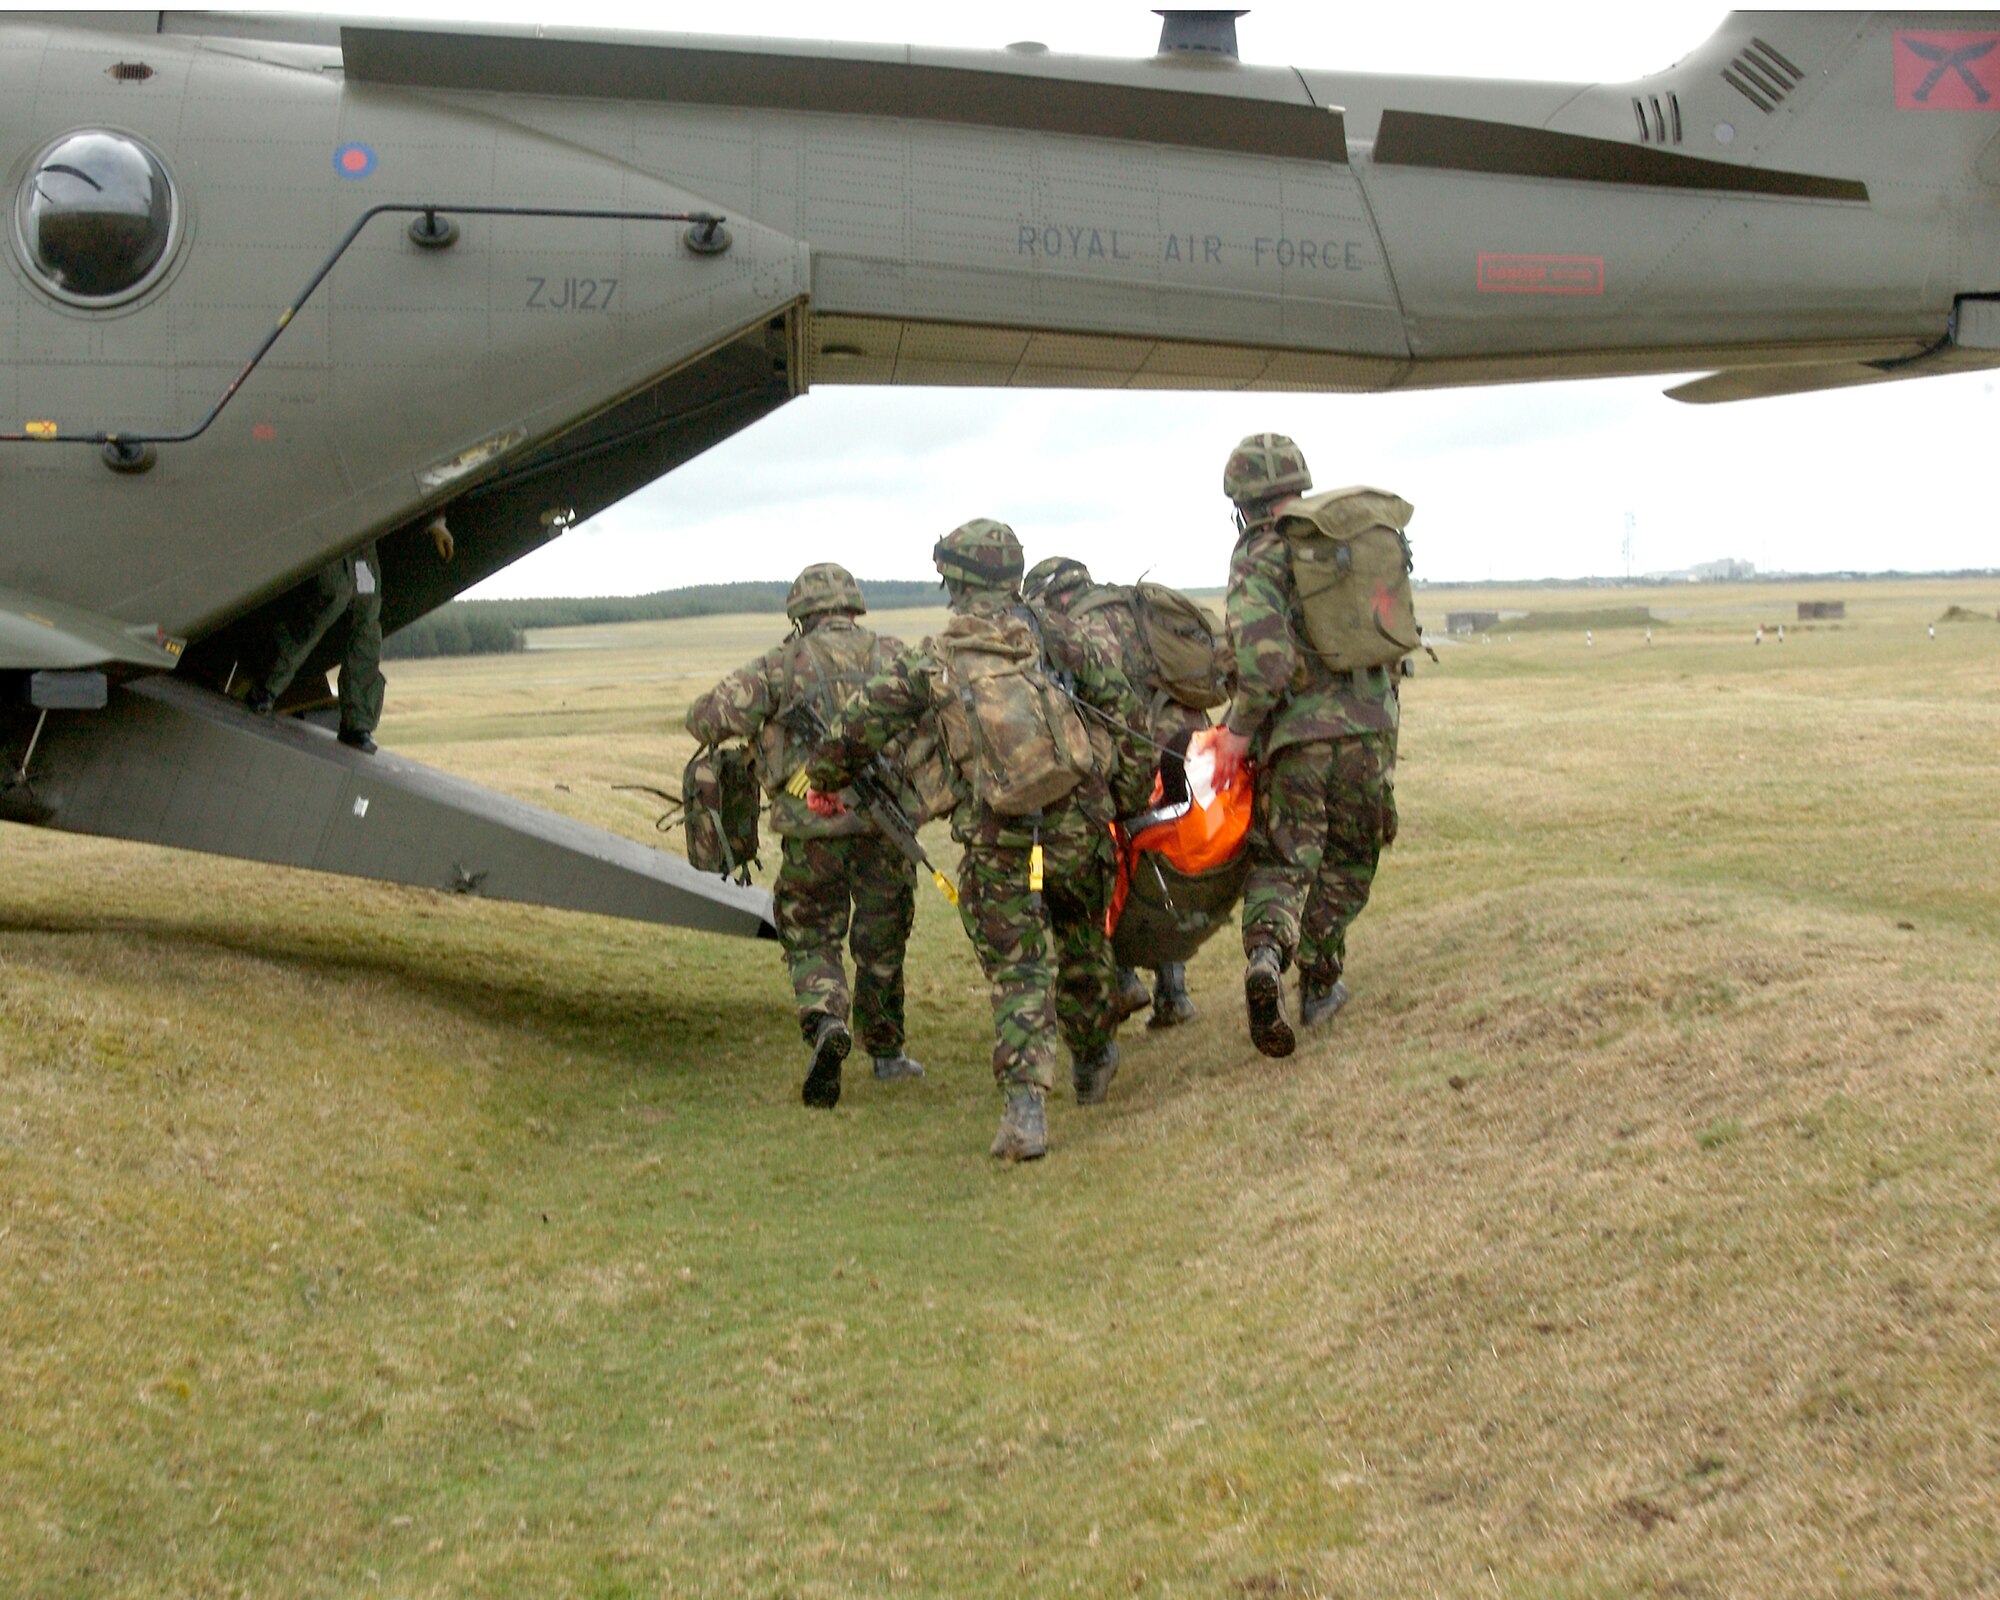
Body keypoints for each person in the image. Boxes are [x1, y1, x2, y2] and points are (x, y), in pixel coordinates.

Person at [808, 521, 1151, 1161]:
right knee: (1083, 939)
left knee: (1018, 970)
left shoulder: (934, 656)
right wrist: (1121, 799)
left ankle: (1026, 1112)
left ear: (955, 582)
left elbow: (854, 727)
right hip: (1076, 825)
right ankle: (1094, 1054)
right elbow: (1128, 717)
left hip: (998, 841)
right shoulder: (1062, 635)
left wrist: (824, 777)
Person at [684, 563, 926, 1109]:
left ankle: (825, 1023)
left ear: (801, 614)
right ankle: (887, 1056)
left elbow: (706, 718)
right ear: (853, 606)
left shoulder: (781, 664)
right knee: (882, 939)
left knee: (812, 933)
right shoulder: (894, 655)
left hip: (810, 829)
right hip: (885, 827)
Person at [1209, 435, 1402, 1057]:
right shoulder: (1344, 540)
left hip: (1299, 739)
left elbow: (1264, 665)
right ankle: (1321, 983)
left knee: (1286, 858)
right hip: (1370, 728)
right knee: (1349, 856)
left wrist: (1236, 735)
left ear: (1242, 501)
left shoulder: (1259, 554)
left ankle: (1267, 956)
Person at [1023, 555, 1210, 1029]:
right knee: (1159, 861)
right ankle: (1174, 994)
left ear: (1053, 597)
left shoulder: (1083, 627)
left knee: (1111, 865)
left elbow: (1095, 700)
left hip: (1137, 754)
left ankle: (1125, 980)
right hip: (1184, 745)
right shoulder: (1135, 608)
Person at [247, 516, 455, 755]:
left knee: (367, 611)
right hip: (330, 518)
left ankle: (357, 723)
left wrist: (436, 520)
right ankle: (267, 683)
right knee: (335, 595)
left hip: (363, 533)